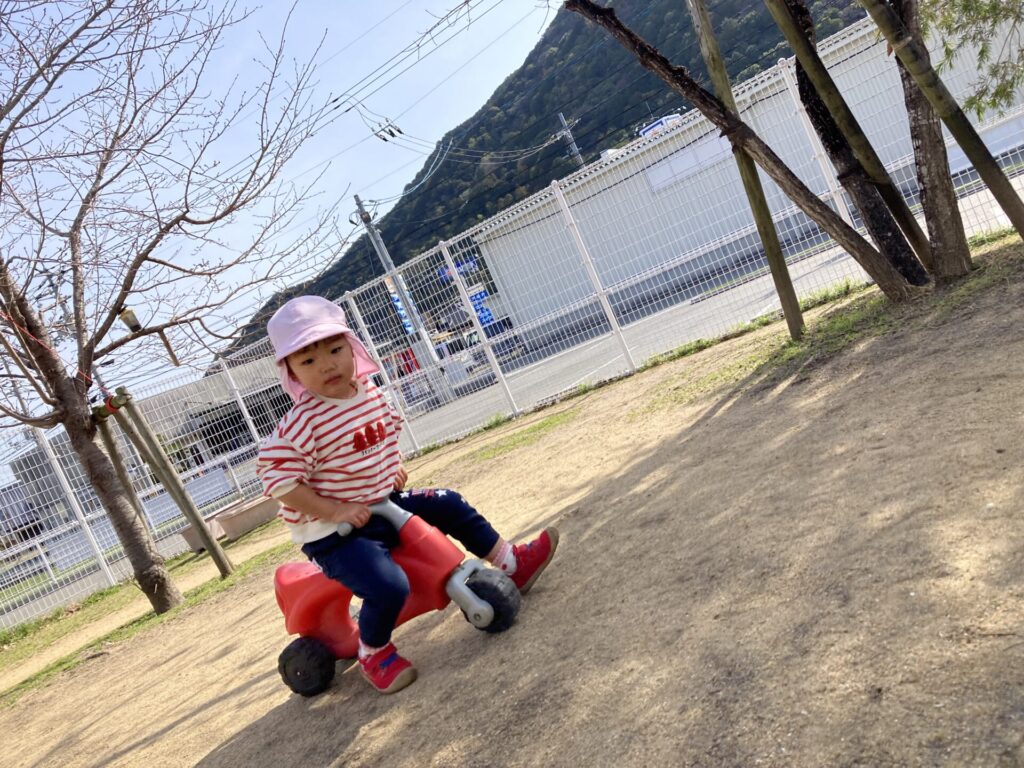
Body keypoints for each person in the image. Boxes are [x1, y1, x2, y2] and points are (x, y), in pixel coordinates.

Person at [257, 296, 558, 694]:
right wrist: (334, 510)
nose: (327, 365)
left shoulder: (370, 394)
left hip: (382, 503)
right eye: (308, 360)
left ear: (352, 347)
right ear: (291, 371)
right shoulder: (303, 422)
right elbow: (279, 482)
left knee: (448, 502)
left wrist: (393, 465)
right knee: (388, 585)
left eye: (334, 350)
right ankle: (373, 651)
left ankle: (510, 562)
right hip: (334, 533)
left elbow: (386, 435)